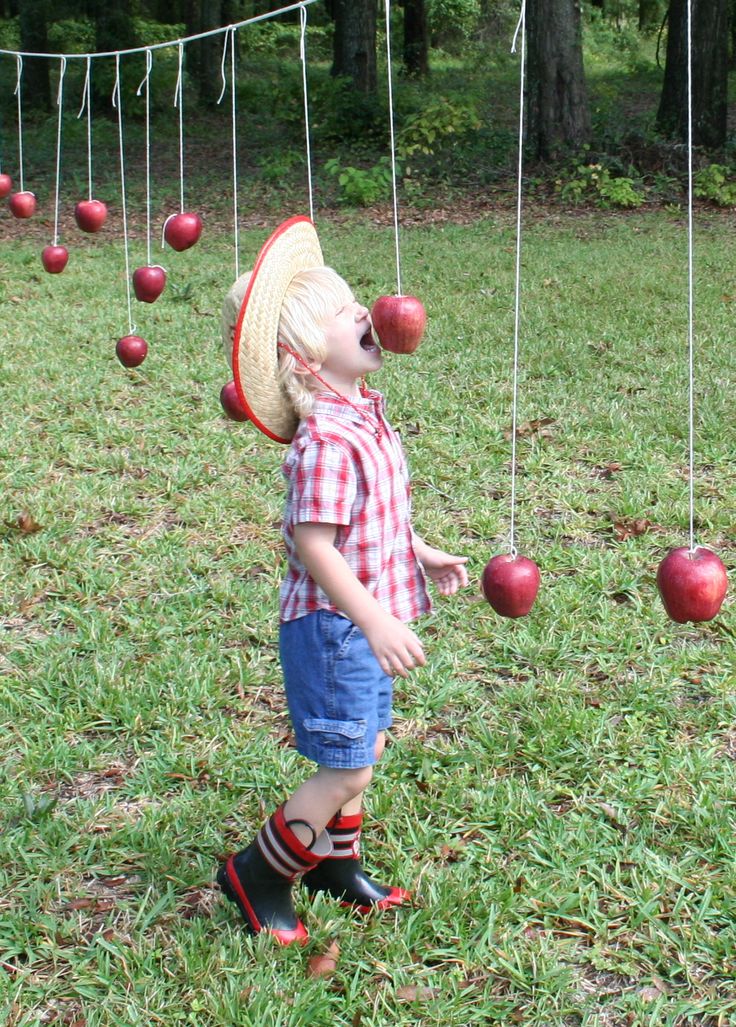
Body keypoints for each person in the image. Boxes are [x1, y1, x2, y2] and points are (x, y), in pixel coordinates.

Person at [217, 217, 468, 945]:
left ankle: (333, 862)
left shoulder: (363, 418)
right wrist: (375, 620)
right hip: (335, 627)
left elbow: (373, 515)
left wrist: (418, 551)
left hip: (358, 618)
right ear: (302, 354)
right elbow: (314, 543)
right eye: (341, 311)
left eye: (356, 301)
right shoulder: (325, 436)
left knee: (367, 744)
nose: (364, 312)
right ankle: (259, 871)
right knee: (346, 768)